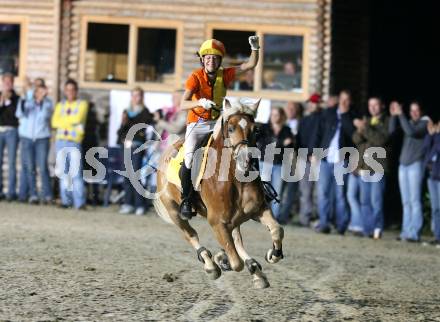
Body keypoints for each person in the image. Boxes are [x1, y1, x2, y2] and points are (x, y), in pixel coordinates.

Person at [178, 36, 260, 220]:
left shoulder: (226, 74)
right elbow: (182, 104)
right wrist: (199, 102)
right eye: (207, 57)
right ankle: (186, 199)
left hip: (217, 121)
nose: (211, 60)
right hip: (197, 122)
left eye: (214, 58)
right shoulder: (195, 77)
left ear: (219, 60)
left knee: (238, 146)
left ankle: (253, 190)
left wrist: (255, 49)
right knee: (190, 156)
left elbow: (250, 65)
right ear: (202, 60)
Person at [315, 90, 356, 234]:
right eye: (342, 99)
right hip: (325, 159)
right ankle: (324, 223)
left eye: (347, 100)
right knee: (323, 193)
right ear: (339, 99)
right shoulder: (328, 113)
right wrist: (314, 152)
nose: (344, 102)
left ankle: (341, 225)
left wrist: (345, 115)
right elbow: (318, 132)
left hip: (342, 160)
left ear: (350, 101)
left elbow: (353, 135)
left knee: (340, 194)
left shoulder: (353, 116)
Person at [389, 101, 428, 242]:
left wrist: (401, 115)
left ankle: (414, 233)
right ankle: (406, 232)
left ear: (422, 111)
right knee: (405, 201)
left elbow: (412, 133)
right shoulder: (409, 121)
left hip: (415, 164)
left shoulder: (425, 122)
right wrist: (394, 116)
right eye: (411, 110)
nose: (414, 113)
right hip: (403, 165)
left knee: (414, 200)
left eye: (417, 110)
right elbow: (392, 132)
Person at [352, 97, 390, 239]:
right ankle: (367, 229)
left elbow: (381, 140)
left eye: (376, 105)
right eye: (370, 105)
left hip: (378, 167)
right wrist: (361, 128)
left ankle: (377, 228)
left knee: (376, 201)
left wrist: (364, 127)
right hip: (364, 167)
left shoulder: (387, 121)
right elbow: (356, 139)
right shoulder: (366, 120)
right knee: (365, 201)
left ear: (382, 106)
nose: (373, 108)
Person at [51, 79, 89, 210]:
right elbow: (54, 123)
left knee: (76, 173)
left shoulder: (82, 104)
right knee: (63, 173)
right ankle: (65, 201)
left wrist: (64, 121)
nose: (70, 92)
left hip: (74, 142)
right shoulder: (60, 105)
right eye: (68, 90)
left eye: (73, 89)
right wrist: (69, 122)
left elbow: (77, 119)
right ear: (65, 91)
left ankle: (79, 203)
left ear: (76, 91)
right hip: (60, 141)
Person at [117, 87, 154, 216]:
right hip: (125, 147)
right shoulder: (126, 112)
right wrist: (123, 123)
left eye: (138, 95)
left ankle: (140, 205)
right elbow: (121, 131)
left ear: (142, 97)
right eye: (133, 95)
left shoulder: (145, 112)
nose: (135, 98)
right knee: (126, 175)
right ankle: (128, 203)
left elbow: (141, 130)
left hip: (137, 147)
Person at [16, 84, 53, 204]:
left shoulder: (48, 103)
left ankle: (47, 195)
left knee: (42, 167)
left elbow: (44, 117)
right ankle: (33, 194)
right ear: (35, 92)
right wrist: (26, 99)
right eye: (38, 91)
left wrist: (41, 102)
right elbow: (19, 114)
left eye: (43, 91)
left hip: (41, 138)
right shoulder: (27, 102)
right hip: (27, 138)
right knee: (30, 167)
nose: (40, 93)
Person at [257, 106, 295, 224]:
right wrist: (281, 143)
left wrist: (282, 144)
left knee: (277, 192)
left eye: (277, 115)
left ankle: (275, 217)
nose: (274, 117)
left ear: (281, 116)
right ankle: (262, 215)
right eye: (272, 114)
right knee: (264, 190)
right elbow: (262, 144)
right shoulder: (264, 128)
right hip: (265, 162)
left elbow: (290, 146)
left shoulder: (287, 130)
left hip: (280, 163)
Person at [296, 93, 322, 227]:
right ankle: (304, 218)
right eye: (311, 102)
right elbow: (299, 139)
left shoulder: (323, 119)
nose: (312, 105)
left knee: (317, 192)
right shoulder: (303, 120)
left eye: (315, 103)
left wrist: (316, 154)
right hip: (303, 158)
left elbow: (321, 138)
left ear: (319, 104)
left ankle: (316, 218)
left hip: (317, 158)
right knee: (305, 191)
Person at [0, 72, 20, 201]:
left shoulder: (17, 98)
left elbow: (16, 116)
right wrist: (2, 100)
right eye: (6, 82)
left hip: (12, 131)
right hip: (0, 130)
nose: (8, 84)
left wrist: (9, 100)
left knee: (12, 162)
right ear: (2, 82)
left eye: (10, 82)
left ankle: (11, 192)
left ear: (13, 83)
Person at [423, 121, 440, 247]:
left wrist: (437, 135)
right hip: (432, 176)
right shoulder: (434, 136)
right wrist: (430, 135)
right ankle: (437, 236)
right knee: (435, 208)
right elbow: (426, 150)